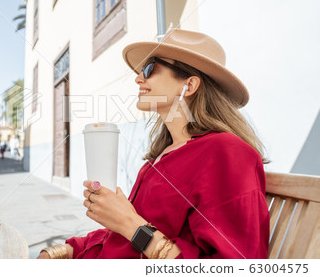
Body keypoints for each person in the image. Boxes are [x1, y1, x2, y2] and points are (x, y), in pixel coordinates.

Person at [38, 29, 270, 259]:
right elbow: (121, 239)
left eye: (150, 69)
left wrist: (129, 223)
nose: (139, 78)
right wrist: (67, 249)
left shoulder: (227, 152)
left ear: (188, 86)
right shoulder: (162, 155)